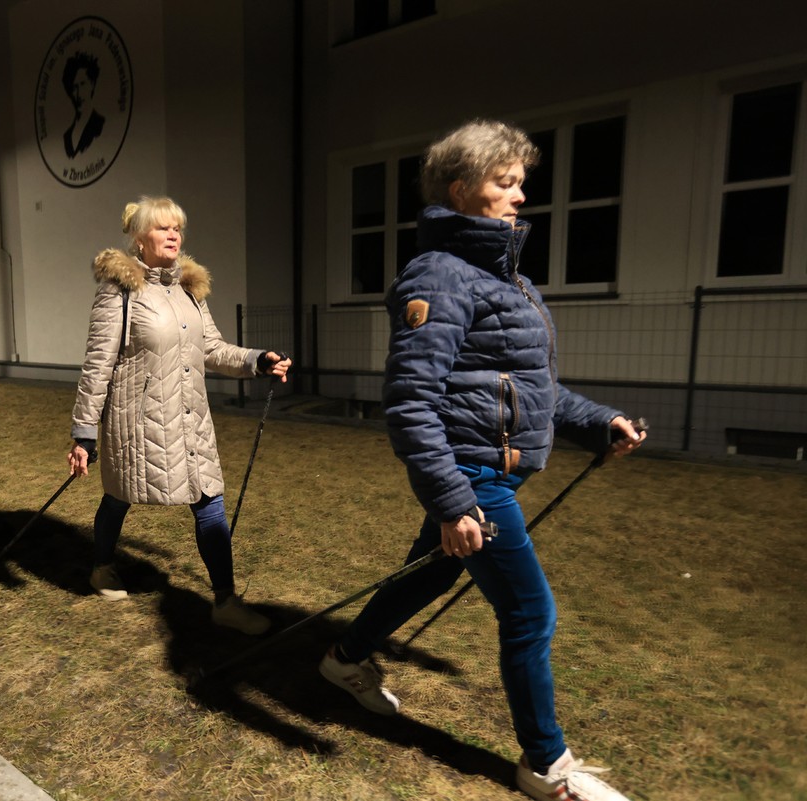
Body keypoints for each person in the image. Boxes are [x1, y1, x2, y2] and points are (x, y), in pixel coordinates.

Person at [317, 121, 645, 801]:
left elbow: (533, 389)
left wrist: (597, 422)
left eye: (521, 182)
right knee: (530, 613)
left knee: (428, 574)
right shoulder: (440, 275)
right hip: (474, 477)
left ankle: (343, 659)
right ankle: (546, 766)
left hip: (487, 472)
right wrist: (452, 499)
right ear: (461, 188)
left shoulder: (510, 280)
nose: (521, 195)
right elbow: (410, 401)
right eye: (506, 182)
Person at [67, 196, 292, 634]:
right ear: (139, 237)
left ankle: (225, 600)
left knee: (209, 500)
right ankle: (102, 566)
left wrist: (256, 360)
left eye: (177, 228)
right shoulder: (119, 290)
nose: (173, 235)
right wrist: (84, 431)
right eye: (162, 228)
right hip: (136, 422)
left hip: (190, 418)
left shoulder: (189, 289)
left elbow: (212, 348)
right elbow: (98, 363)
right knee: (118, 495)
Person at [62, 51, 106, 158]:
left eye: (82, 84)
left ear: (92, 84)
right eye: (74, 88)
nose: (78, 94)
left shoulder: (100, 124)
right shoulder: (67, 136)